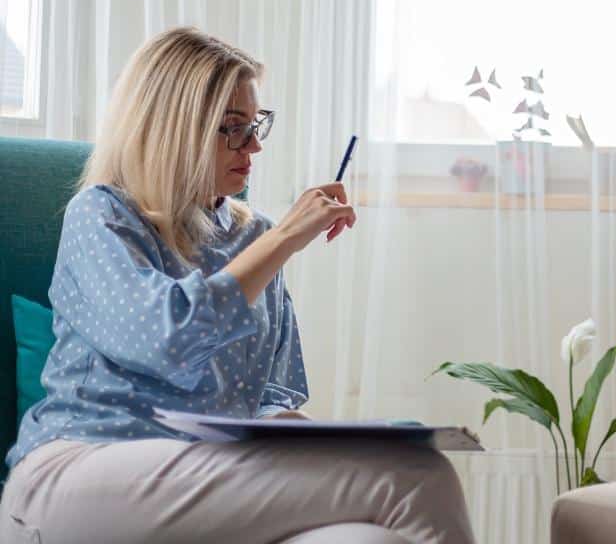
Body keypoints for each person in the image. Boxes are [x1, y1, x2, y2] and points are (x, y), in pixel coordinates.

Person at [0, 27, 475, 544]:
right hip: (81, 467)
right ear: (172, 129)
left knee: (370, 538)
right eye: (232, 128)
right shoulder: (102, 214)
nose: (254, 145)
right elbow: (165, 341)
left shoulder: (254, 233)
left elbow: (271, 389)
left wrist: (311, 435)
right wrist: (287, 239)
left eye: (256, 125)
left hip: (210, 475)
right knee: (417, 477)